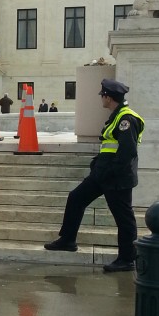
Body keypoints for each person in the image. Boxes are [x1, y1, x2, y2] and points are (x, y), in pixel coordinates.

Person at [44, 79, 145, 272]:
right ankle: (68, 239)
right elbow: (109, 145)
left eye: (102, 96)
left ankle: (127, 259)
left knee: (124, 218)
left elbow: (127, 152)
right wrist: (97, 164)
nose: (101, 99)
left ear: (108, 97)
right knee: (76, 198)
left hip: (117, 178)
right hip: (103, 174)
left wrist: (108, 170)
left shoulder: (126, 119)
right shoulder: (116, 116)